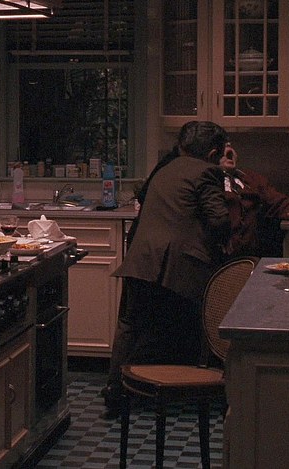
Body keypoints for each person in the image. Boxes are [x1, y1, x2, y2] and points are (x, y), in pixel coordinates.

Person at [101, 121, 232, 418]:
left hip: (141, 258)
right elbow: (219, 220)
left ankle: (116, 391)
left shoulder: (164, 169)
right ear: (213, 154)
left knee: (130, 325)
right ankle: (184, 389)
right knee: (187, 325)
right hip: (178, 265)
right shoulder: (207, 172)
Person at [217, 143, 289, 258]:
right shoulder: (208, 183)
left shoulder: (250, 179)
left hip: (249, 255)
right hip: (219, 255)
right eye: (223, 146)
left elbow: (277, 201)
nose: (229, 150)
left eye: (230, 146)